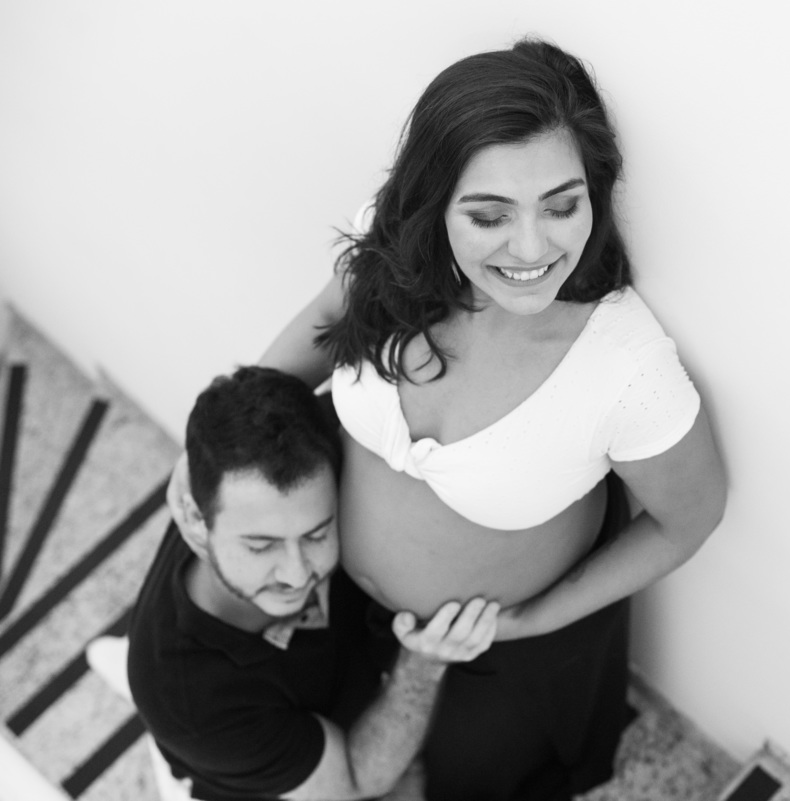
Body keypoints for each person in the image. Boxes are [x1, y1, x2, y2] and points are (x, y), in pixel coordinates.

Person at [170, 37, 727, 801]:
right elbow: (326, 323)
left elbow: (689, 519)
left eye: (562, 205)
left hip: (493, 659)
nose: (531, 247)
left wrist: (533, 620)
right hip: (338, 598)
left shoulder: (625, 365)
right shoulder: (395, 251)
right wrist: (211, 450)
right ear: (435, 203)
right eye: (489, 215)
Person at [132, 366, 499, 801]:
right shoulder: (191, 702)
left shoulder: (308, 443)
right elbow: (353, 781)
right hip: (271, 769)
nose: (297, 574)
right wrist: (421, 667)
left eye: (317, 534)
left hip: (344, 672)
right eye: (261, 546)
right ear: (195, 519)